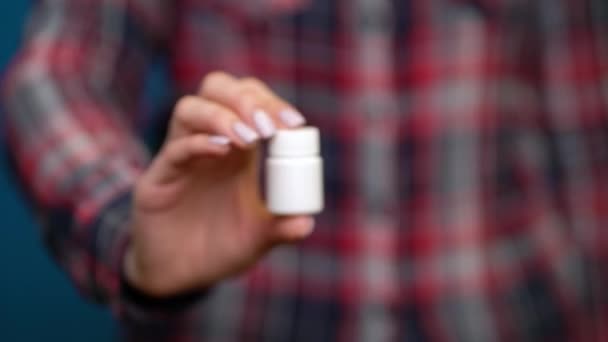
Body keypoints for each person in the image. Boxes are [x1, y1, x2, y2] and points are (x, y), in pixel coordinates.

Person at [4, 0, 608, 340]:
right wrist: (127, 229)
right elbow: (57, 71)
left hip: (515, 314)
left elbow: (587, 116)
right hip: (238, 320)